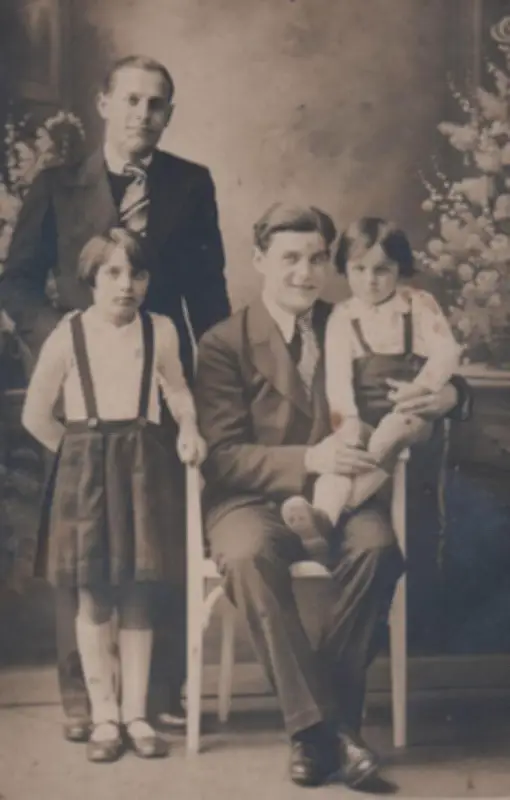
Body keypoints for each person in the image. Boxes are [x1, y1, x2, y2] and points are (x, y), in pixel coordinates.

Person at [194, 203, 471, 788]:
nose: (305, 272)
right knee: (246, 556)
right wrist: (309, 459)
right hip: (250, 500)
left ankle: (317, 731)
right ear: (259, 260)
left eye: (318, 258)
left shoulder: (351, 316)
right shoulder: (224, 342)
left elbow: (426, 363)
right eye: (290, 258)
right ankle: (329, 732)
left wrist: (453, 397)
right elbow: (223, 457)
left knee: (378, 549)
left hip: (345, 496)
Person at [0, 54, 230, 739]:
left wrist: (212, 381)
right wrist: (59, 339)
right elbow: (17, 281)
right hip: (83, 396)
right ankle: (85, 697)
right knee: (84, 546)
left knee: (156, 540)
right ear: (103, 103)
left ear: (169, 113)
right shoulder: (58, 184)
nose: (142, 114)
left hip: (157, 383)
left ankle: (155, 695)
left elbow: (209, 293)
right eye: (130, 99)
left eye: (156, 103)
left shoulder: (190, 184)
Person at [22, 228, 206, 763]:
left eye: (137, 274)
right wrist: (77, 456)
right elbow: (35, 414)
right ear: (91, 278)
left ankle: (135, 715)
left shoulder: (160, 331)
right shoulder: (69, 335)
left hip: (144, 468)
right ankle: (104, 715)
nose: (127, 285)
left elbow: (177, 390)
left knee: (139, 592)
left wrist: (188, 428)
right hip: (87, 474)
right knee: (95, 594)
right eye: (114, 273)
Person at [281, 217, 461, 561]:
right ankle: (321, 519)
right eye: (359, 269)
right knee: (342, 451)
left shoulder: (418, 304)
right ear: (345, 269)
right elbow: (338, 381)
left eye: (382, 270)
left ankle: (343, 507)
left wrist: (421, 388)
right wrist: (348, 422)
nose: (370, 280)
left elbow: (446, 353)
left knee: (393, 430)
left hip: (415, 414)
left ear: (399, 268)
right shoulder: (344, 317)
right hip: (365, 418)